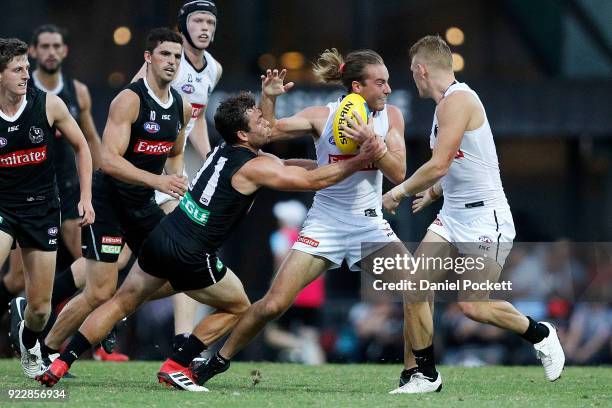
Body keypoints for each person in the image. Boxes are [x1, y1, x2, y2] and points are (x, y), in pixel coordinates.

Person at [36, 90, 385, 391]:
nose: (267, 122)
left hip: (164, 235)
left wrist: (326, 153)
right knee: (239, 306)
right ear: (243, 135)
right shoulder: (253, 166)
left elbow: (291, 164)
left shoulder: (226, 150)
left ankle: (61, 362)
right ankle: (178, 363)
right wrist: (361, 161)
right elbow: (312, 182)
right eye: (258, 120)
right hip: (191, 251)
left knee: (121, 302)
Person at [192, 50, 409, 386]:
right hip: (325, 223)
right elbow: (271, 130)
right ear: (357, 85)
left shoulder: (390, 116)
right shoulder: (321, 116)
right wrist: (269, 98)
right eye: (380, 82)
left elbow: (398, 173)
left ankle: (416, 372)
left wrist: (374, 145)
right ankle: (217, 361)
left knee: (417, 292)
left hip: (369, 224)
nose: (388, 89)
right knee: (273, 304)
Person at [382, 35, 565, 393]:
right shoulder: (444, 107)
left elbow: (440, 163)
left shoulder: (460, 100)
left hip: (486, 220)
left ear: (421, 70)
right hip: (452, 217)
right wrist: (434, 192)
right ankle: (423, 375)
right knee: (415, 287)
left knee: (472, 306)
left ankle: (541, 333)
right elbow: (461, 163)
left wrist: (400, 190)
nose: (412, 77)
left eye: (411, 71)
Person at [10, 28, 191, 372]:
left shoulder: (181, 106)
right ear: (148, 58)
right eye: (165, 54)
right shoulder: (130, 99)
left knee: (180, 274)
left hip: (143, 204)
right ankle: (44, 347)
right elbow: (107, 160)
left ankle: (113, 311)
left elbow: (176, 151)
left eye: (177, 57)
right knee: (97, 290)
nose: (172, 62)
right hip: (109, 202)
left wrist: (176, 182)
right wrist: (159, 182)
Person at [0, 38, 94, 378]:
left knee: (40, 310)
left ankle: (28, 338)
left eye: (27, 67)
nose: (27, 74)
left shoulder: (49, 105)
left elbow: (83, 147)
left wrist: (86, 197)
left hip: (42, 210)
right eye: (17, 69)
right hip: (3, 209)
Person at [133, 0, 222, 350]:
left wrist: (211, 156)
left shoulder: (213, 68)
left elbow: (193, 121)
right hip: (144, 173)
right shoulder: (165, 59)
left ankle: (183, 340)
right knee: (115, 266)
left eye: (211, 22)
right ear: (183, 25)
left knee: (187, 251)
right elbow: (132, 103)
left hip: (178, 175)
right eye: (198, 20)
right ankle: (103, 306)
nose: (205, 28)